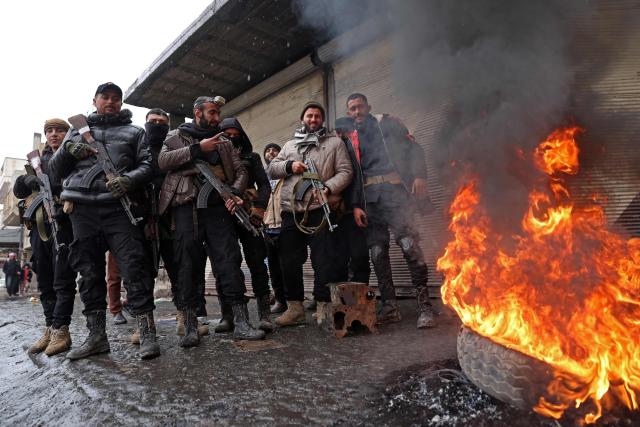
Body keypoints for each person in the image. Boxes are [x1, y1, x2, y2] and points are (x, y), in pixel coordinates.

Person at [49, 82, 160, 360]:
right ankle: (96, 336)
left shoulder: (135, 132)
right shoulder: (76, 132)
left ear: (121, 103)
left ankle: (147, 334)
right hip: (82, 210)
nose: (110, 102)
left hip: (120, 209)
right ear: (95, 100)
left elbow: (148, 166)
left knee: (134, 268)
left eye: (116, 98)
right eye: (105, 97)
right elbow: (53, 172)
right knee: (89, 275)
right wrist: (67, 150)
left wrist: (128, 180)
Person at [158, 95, 265, 345]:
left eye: (218, 113)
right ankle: (190, 327)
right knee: (187, 266)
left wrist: (236, 193)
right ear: (198, 112)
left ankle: (241, 321)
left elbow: (240, 171)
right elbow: (163, 161)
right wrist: (198, 149)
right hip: (186, 208)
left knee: (229, 262)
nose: (217, 118)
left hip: (218, 208)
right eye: (213, 113)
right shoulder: (176, 137)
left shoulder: (225, 142)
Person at [345, 93, 436, 329]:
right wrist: (355, 205)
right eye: (352, 109)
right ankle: (390, 307)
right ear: (349, 113)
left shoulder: (389, 123)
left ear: (368, 106)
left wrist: (419, 176)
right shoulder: (349, 138)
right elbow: (352, 175)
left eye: (360, 107)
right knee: (376, 252)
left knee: (409, 245)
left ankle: (425, 306)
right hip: (370, 202)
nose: (357, 112)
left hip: (396, 194)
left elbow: (414, 148)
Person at [267, 101, 353, 328]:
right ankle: (294, 308)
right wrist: (289, 166)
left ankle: (323, 305)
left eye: (317, 116)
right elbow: (272, 168)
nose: (313, 120)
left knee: (323, 260)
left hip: (318, 210)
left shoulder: (334, 143)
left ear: (322, 120)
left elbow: (346, 171)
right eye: (309, 116)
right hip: (290, 212)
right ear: (302, 118)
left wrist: (328, 188)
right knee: (289, 261)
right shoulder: (289, 145)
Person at [12, 118, 78, 355]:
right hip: (40, 227)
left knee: (63, 278)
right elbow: (18, 191)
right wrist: (25, 179)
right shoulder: (37, 161)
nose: (53, 135)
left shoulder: (73, 156)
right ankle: (50, 327)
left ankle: (62, 329)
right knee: (46, 280)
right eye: (49, 131)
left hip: (66, 222)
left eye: (59, 130)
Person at [143, 108, 209, 339]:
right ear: (146, 123)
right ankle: (144, 327)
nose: (158, 125)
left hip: (172, 216)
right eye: (153, 122)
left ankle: (186, 319)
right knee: (142, 274)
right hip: (143, 218)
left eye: (163, 122)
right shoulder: (138, 147)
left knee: (181, 268)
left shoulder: (175, 145)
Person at [215, 118, 273, 333]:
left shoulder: (252, 157)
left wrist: (258, 210)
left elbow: (265, 185)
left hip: (249, 214)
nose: (231, 139)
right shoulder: (213, 159)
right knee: (225, 264)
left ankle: (265, 314)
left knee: (257, 261)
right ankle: (227, 315)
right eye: (226, 135)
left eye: (235, 135)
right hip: (222, 216)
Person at [334, 117, 371, 284]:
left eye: (345, 131)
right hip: (335, 214)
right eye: (339, 131)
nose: (342, 134)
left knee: (359, 256)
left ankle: (361, 300)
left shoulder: (355, 148)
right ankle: (342, 301)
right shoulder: (332, 149)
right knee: (338, 259)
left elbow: (357, 179)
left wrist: (356, 205)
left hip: (353, 211)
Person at [262, 143, 287, 314]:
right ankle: (280, 301)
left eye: (275, 150)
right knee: (274, 269)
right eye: (268, 150)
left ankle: (293, 301)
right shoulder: (262, 178)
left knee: (288, 268)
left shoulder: (286, 175)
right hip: (267, 228)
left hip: (285, 227)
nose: (271, 152)